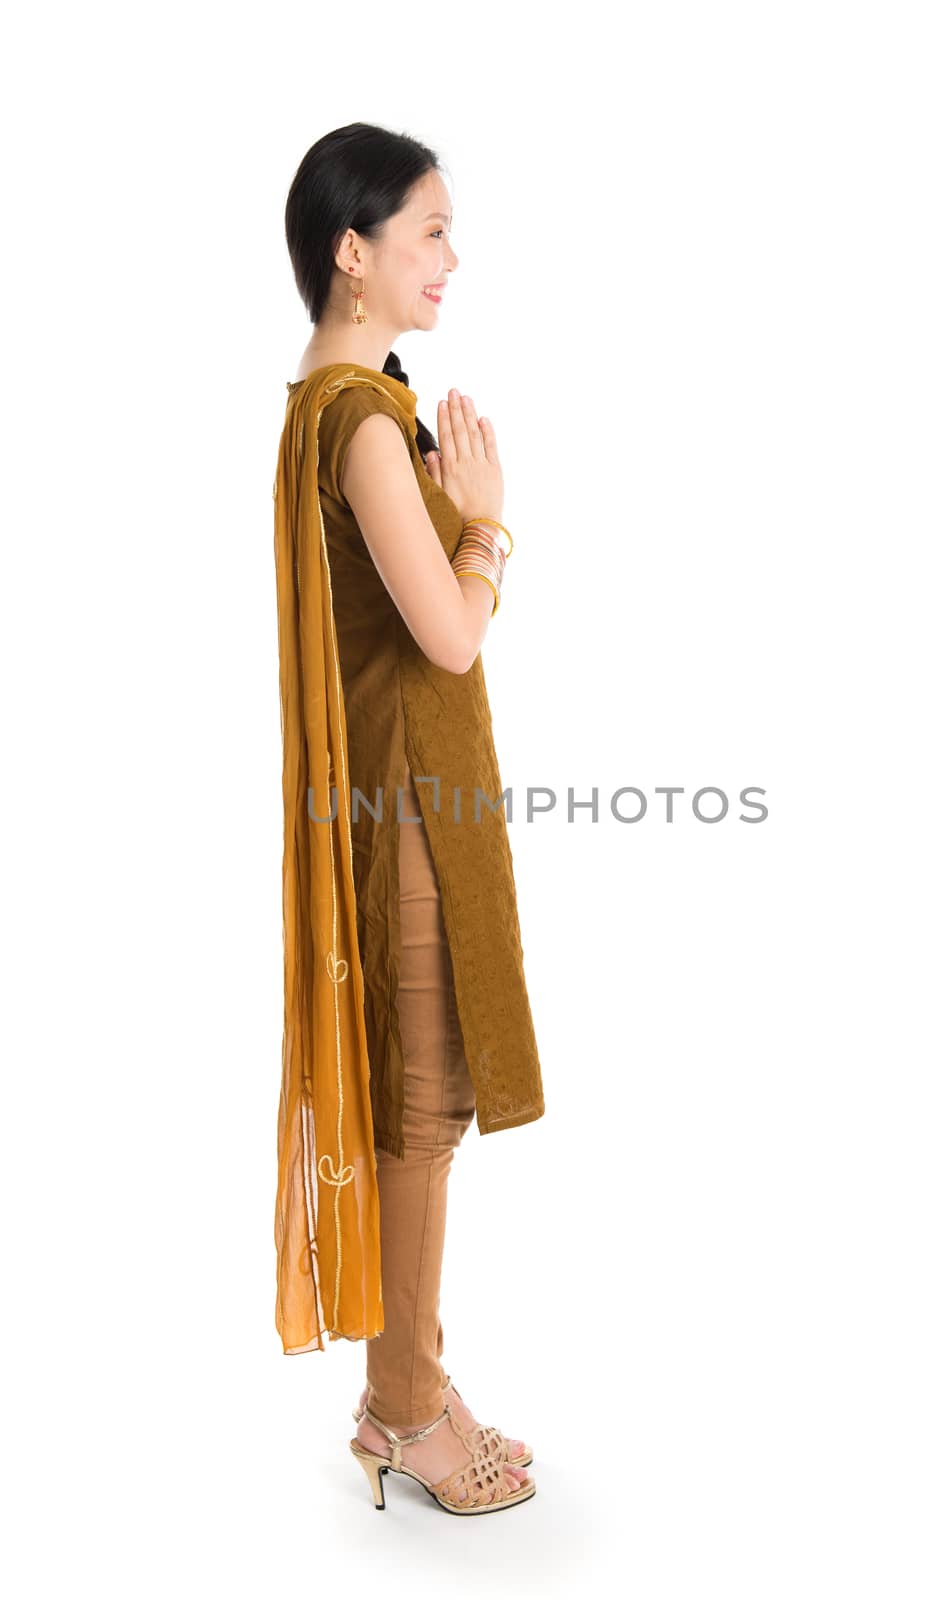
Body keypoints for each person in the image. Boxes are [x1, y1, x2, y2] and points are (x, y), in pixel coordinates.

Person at [273, 122, 545, 1515]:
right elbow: (447, 639)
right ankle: (401, 1409)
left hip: (384, 807)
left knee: (414, 1112)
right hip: (406, 827)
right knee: (418, 1118)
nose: (451, 256)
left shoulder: (327, 402)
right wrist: (486, 527)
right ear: (352, 250)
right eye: (429, 230)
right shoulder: (367, 424)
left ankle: (414, 1377)